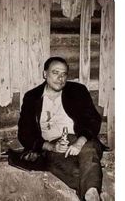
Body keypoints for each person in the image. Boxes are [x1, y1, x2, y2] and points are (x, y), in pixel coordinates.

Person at [9, 57, 104, 201]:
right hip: (54, 147)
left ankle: (90, 194)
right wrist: (51, 147)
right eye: (55, 72)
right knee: (70, 169)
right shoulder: (32, 97)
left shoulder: (77, 91)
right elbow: (25, 133)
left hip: (81, 140)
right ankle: (91, 192)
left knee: (90, 151)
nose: (60, 78)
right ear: (45, 74)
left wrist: (79, 142)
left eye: (64, 74)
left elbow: (93, 120)